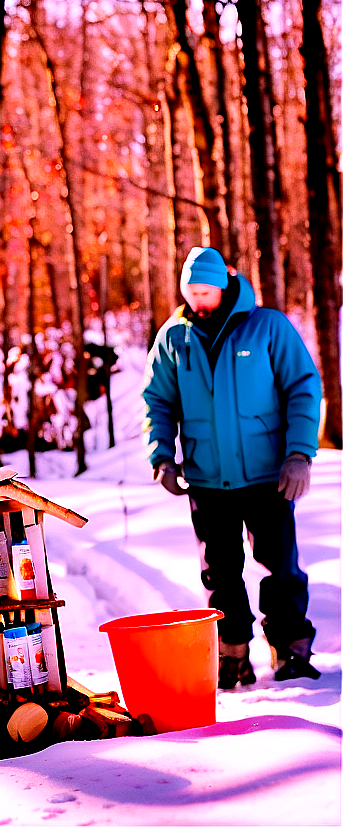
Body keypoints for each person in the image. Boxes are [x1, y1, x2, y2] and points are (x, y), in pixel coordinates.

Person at [142, 246, 323, 689]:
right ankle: (232, 655)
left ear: (224, 287)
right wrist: (162, 456)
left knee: (278, 567)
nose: (199, 300)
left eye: (206, 291)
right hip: (205, 476)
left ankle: (291, 650)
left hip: (269, 474)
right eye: (192, 292)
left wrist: (299, 454)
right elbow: (158, 402)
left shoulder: (268, 328)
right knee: (219, 572)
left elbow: (303, 388)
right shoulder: (174, 337)